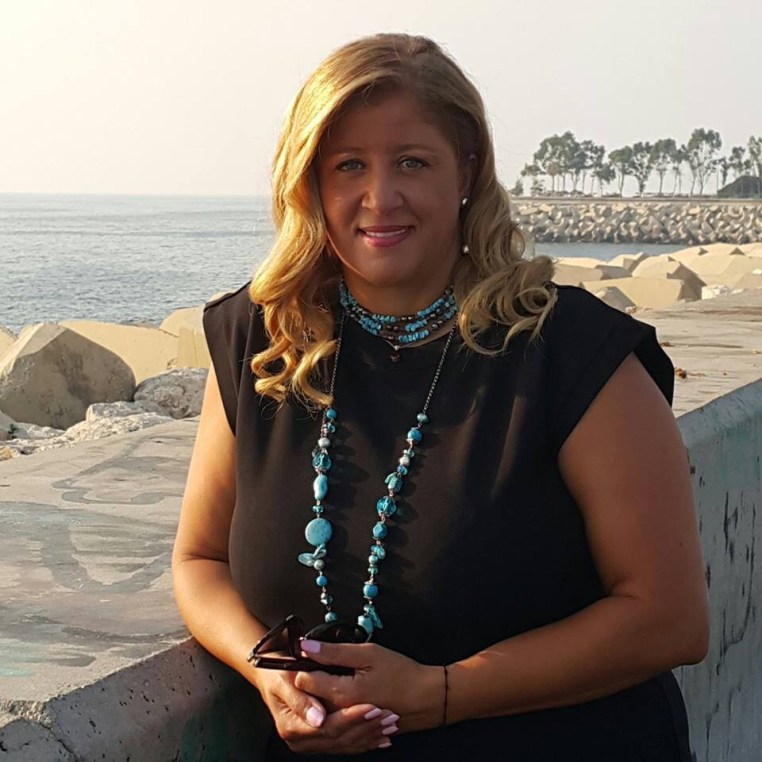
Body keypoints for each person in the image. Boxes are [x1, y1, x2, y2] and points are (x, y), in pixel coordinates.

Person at [172, 33, 709, 761]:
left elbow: (668, 618)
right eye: (349, 165)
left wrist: (446, 693)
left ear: (468, 169)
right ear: (310, 182)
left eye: (412, 162)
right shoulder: (262, 341)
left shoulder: (572, 352)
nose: (379, 197)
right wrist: (268, 678)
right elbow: (199, 561)